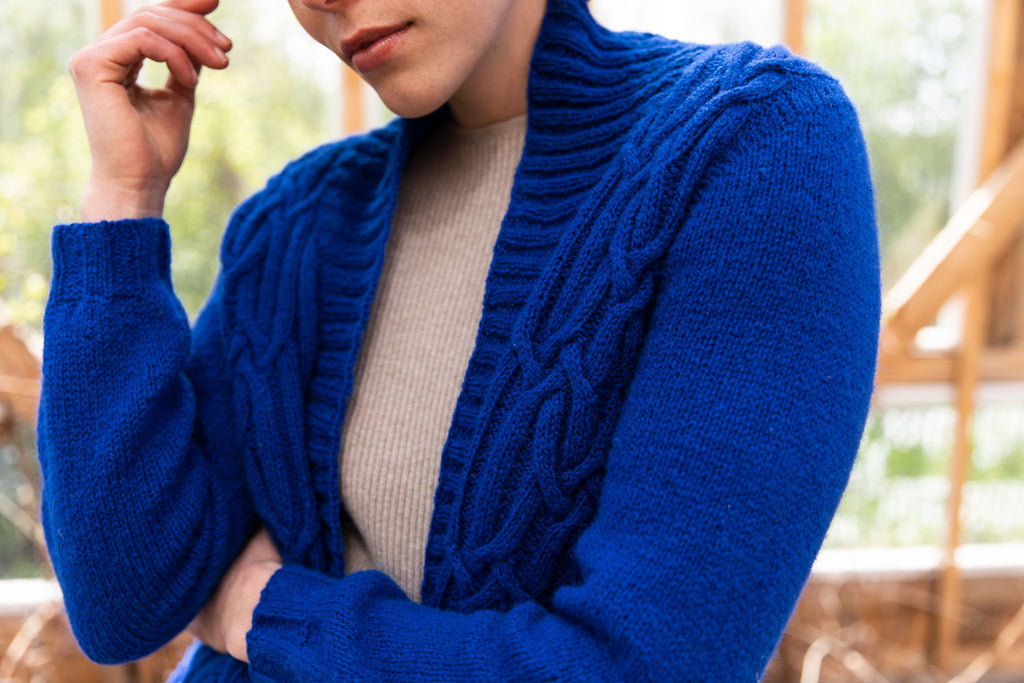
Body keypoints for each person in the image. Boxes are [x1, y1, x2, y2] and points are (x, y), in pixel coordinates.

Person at [38, 0, 881, 679]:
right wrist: (124, 196)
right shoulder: (295, 223)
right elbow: (124, 602)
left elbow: (646, 664)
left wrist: (265, 613)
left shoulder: (750, 145)